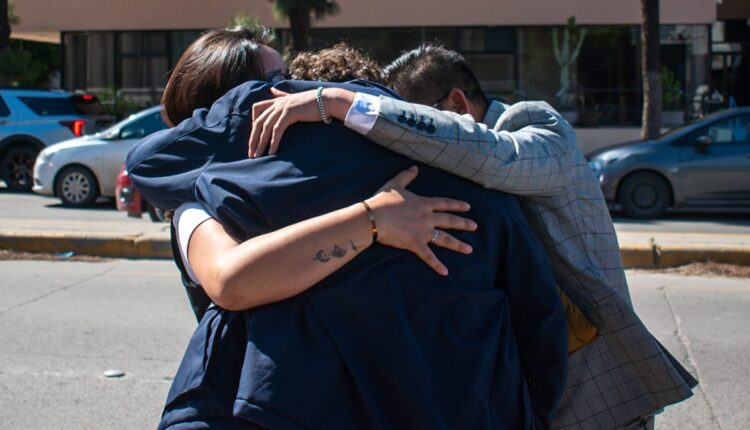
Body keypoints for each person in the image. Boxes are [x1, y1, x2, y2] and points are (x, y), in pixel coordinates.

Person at [127, 31, 568, 429]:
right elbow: (540, 324)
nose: (295, 87)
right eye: (281, 78)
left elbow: (149, 167)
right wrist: (373, 218)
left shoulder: (228, 200)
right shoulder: (464, 173)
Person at [250, 45, 698, 429]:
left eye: (415, 121)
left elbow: (498, 160)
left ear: (458, 104)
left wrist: (346, 104)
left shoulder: (532, 124)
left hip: (597, 394)